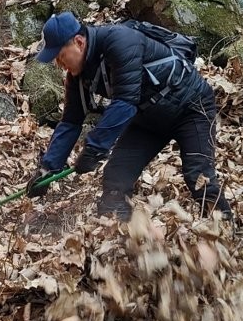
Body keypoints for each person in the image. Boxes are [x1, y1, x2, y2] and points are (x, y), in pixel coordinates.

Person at [26, 11, 232, 223]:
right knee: (115, 180)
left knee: (198, 176)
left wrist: (95, 148)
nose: (60, 65)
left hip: (191, 108)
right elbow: (70, 121)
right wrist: (47, 169)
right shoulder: (77, 77)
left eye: (60, 56)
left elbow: (125, 101)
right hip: (149, 120)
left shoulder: (120, 40)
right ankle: (121, 241)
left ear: (78, 42)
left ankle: (225, 232)